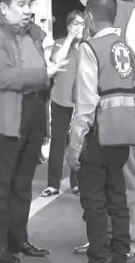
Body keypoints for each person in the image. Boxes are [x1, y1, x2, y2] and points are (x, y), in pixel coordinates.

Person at [0, 0, 66, 263]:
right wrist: (44, 73)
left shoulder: (32, 35)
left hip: (32, 115)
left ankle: (18, 240)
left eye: (30, 4)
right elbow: (4, 77)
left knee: (22, 184)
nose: (28, 10)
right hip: (4, 121)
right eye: (22, 5)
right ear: (4, 7)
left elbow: (47, 67)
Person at [69, 0, 135, 261]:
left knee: (126, 183)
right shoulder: (91, 18)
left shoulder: (131, 15)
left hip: (118, 116)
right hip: (99, 119)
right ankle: (105, 241)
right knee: (108, 187)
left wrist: (133, 117)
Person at [40, 10, 85, 198]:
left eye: (82, 23)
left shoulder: (86, 47)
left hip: (81, 103)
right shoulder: (60, 43)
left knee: (78, 144)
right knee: (58, 142)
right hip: (60, 100)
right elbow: (55, 61)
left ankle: (77, 183)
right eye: (75, 23)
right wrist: (70, 38)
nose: (79, 27)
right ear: (68, 26)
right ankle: (53, 184)